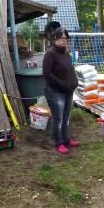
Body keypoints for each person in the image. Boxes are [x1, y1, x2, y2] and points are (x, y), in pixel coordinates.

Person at [42, 27, 80, 155]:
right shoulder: (50, 54)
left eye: (66, 38)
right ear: (55, 38)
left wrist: (74, 82)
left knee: (66, 117)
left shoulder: (66, 53)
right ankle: (58, 143)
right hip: (55, 92)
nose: (64, 41)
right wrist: (63, 84)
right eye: (62, 38)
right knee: (58, 119)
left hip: (67, 91)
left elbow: (70, 69)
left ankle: (66, 140)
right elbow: (47, 74)